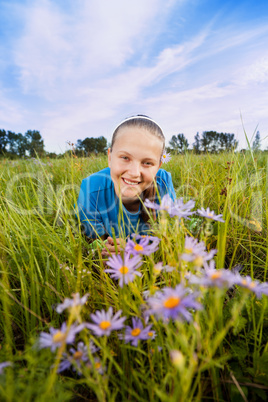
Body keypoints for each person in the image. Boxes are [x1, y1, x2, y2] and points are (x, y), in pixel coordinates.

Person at [76, 115, 176, 256]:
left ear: (158, 166)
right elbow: (93, 243)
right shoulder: (91, 189)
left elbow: (170, 237)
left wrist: (131, 250)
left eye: (147, 163)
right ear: (110, 157)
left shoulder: (164, 182)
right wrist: (106, 250)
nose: (134, 173)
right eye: (125, 158)